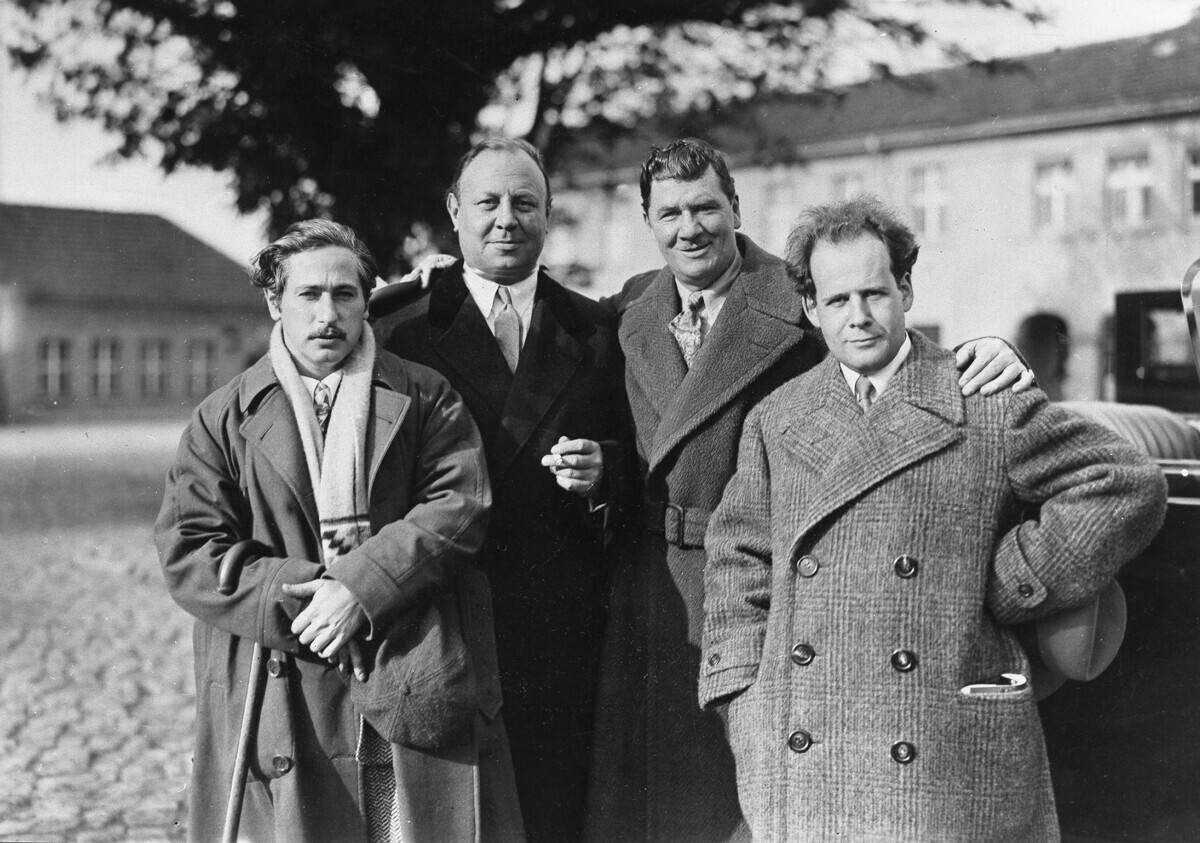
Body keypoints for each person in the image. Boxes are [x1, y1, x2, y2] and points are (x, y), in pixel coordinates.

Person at [585, 140, 1037, 843]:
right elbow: (567, 337)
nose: (690, 228)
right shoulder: (635, 304)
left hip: (781, 599)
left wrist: (996, 352)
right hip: (655, 588)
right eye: (669, 213)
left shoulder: (798, 292)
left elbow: (886, 350)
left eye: (707, 207)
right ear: (647, 220)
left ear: (736, 208)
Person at [699, 197, 1167, 840]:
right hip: (799, 744)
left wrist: (1007, 580)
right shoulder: (776, 420)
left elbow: (1123, 483)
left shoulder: (980, 398)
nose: (859, 318)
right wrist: (743, 699)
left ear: (907, 289)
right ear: (811, 309)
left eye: (875, 293)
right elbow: (737, 559)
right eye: (837, 301)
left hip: (939, 742)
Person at [156, 220, 521, 842]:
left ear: (366, 299)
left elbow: (460, 503)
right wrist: (305, 594)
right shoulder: (223, 416)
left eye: (345, 295)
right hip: (285, 678)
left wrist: (361, 587)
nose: (329, 314)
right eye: (309, 295)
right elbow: (191, 550)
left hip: (410, 659)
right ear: (275, 302)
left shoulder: (425, 395)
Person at [370, 138, 636, 843]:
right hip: (445, 618)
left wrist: (605, 468)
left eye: (525, 203)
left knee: (551, 814)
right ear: (455, 213)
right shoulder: (398, 330)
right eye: (487, 202)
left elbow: (640, 455)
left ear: (549, 216)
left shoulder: (597, 329)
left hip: (560, 627)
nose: (506, 219)